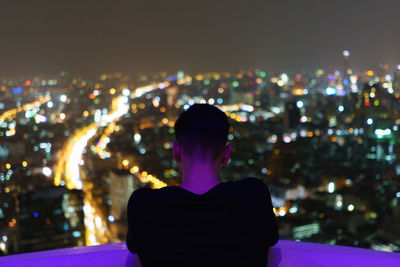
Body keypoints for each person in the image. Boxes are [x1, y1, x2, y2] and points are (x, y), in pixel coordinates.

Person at [126, 104, 278, 266]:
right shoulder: (254, 196)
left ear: (176, 152)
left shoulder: (144, 206)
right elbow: (270, 239)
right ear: (226, 154)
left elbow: (134, 247)